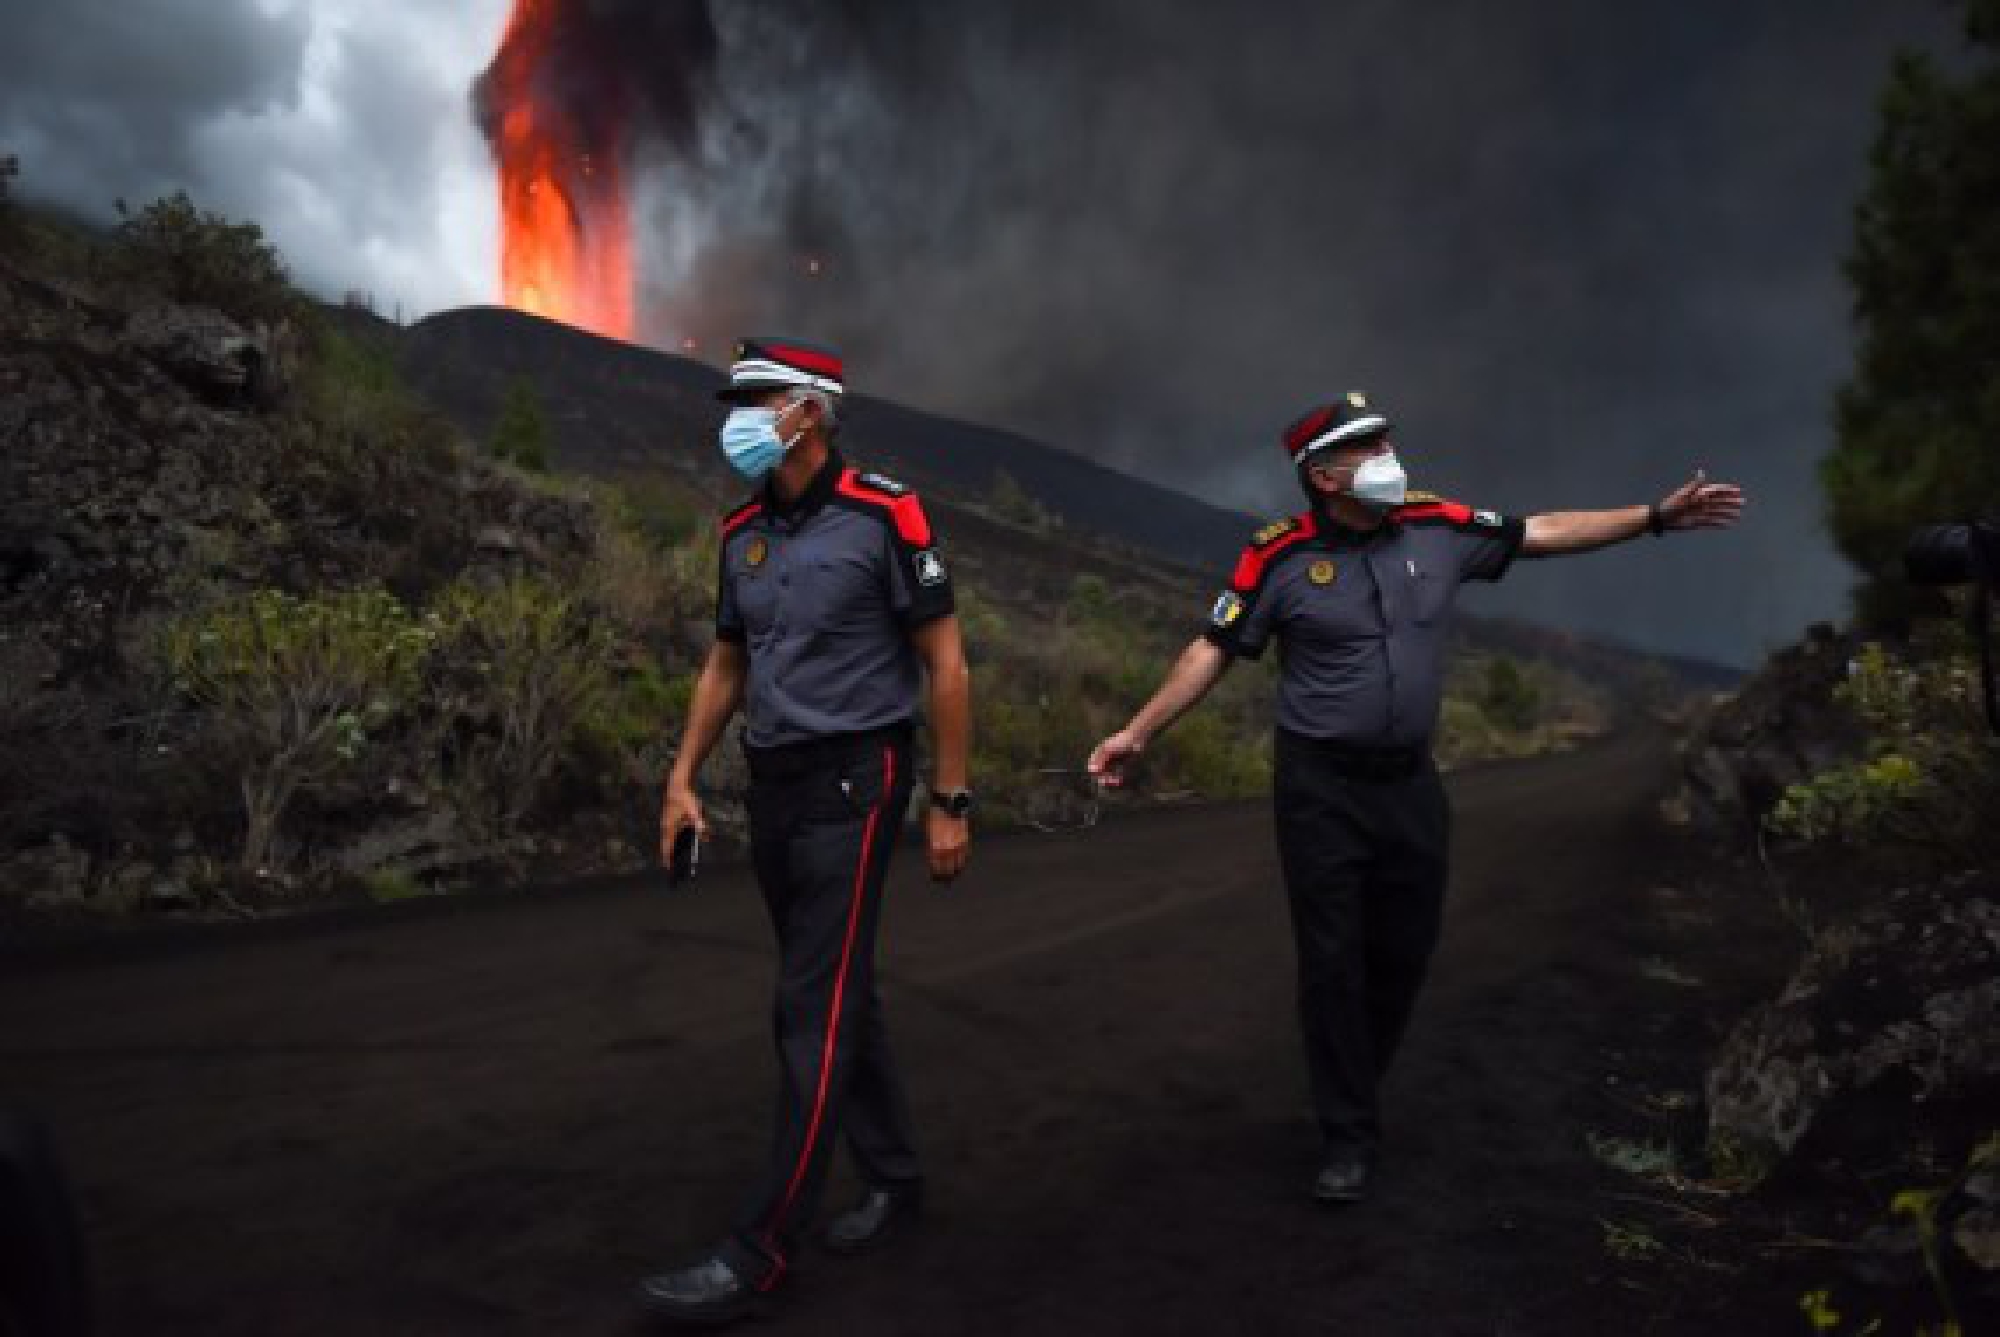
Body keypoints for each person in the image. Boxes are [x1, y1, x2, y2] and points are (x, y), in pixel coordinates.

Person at [1087, 392, 1744, 1203]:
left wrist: (1653, 516)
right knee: (1332, 961)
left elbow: (1541, 530)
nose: (1390, 456)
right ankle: (1347, 1135)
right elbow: (1214, 648)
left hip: (1409, 784)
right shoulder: (1278, 557)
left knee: (1402, 951)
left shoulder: (1438, 529)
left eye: (1388, 440)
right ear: (1323, 475)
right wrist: (1139, 730)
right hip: (1319, 787)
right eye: (1367, 448)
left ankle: (1352, 1084)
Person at [640, 338, 974, 1325]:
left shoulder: (884, 511)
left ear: (809, 411)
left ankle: (760, 1247)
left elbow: (945, 663)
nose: (736, 415)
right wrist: (680, 776)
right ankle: (897, 1174)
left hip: (854, 777)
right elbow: (725, 665)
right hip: (773, 783)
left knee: (805, 1007)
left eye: (757, 398)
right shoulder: (740, 529)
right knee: (833, 990)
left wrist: (950, 800)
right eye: (733, 397)